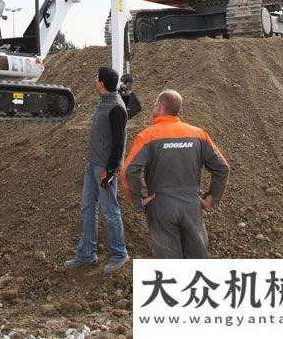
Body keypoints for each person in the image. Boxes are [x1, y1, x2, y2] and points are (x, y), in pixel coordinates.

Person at [122, 89, 230, 258]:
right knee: (198, 262)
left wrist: (138, 200)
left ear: (159, 106)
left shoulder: (147, 136)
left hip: (161, 207)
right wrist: (212, 198)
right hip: (191, 205)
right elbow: (222, 168)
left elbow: (129, 171)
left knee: (169, 267)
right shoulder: (198, 135)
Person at [64, 66, 129, 275]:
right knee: (87, 206)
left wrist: (110, 171)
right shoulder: (104, 103)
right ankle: (86, 255)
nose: (94, 80)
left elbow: (119, 143)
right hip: (93, 164)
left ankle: (119, 255)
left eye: (96, 78)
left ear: (101, 83)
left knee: (110, 210)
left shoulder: (116, 108)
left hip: (105, 168)